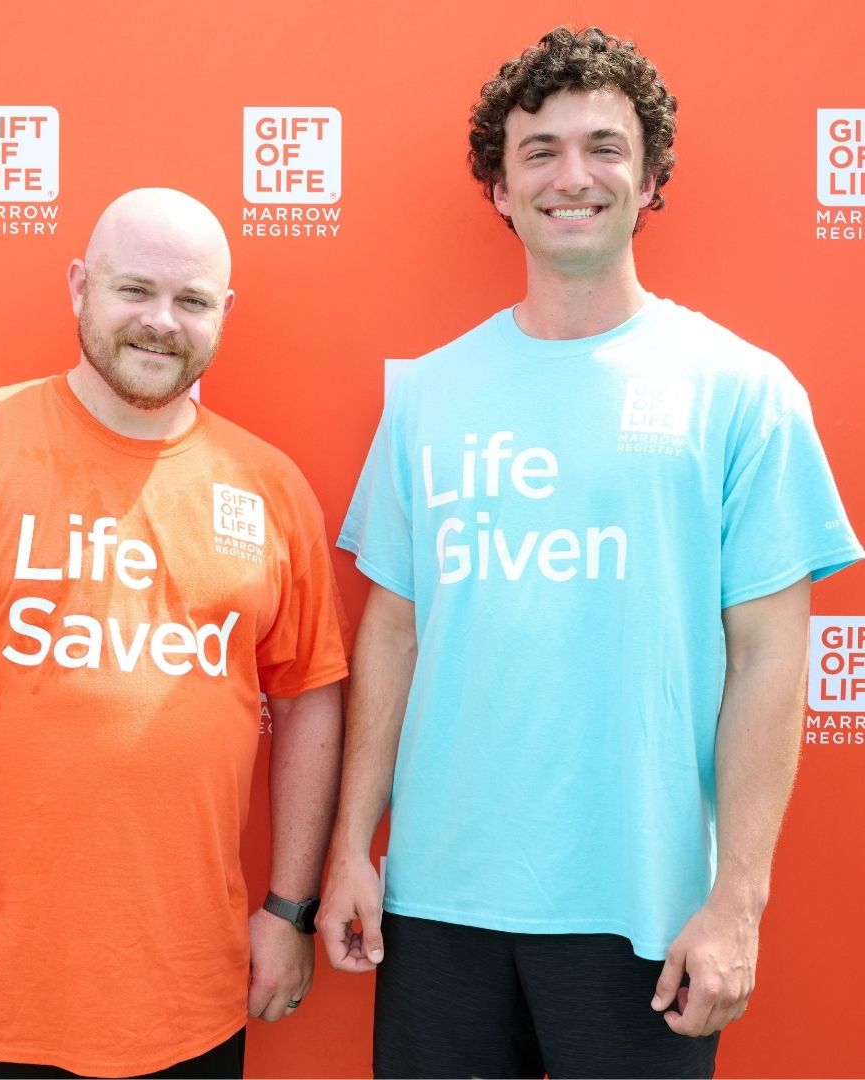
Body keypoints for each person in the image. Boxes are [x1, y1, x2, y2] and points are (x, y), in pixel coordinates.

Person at [317, 26, 863, 1079]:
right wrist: (352, 848)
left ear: (651, 176)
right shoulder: (428, 395)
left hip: (644, 917)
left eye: (605, 147)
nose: (575, 177)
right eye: (541, 151)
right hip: (437, 909)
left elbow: (770, 662)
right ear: (501, 189)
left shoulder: (739, 390)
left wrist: (738, 903)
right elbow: (394, 628)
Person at [0, 188, 349, 1080]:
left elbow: (311, 696)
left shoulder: (269, 486)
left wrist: (288, 910)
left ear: (223, 314)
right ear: (80, 287)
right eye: (134, 291)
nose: (161, 323)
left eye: (192, 301)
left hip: (189, 1002)